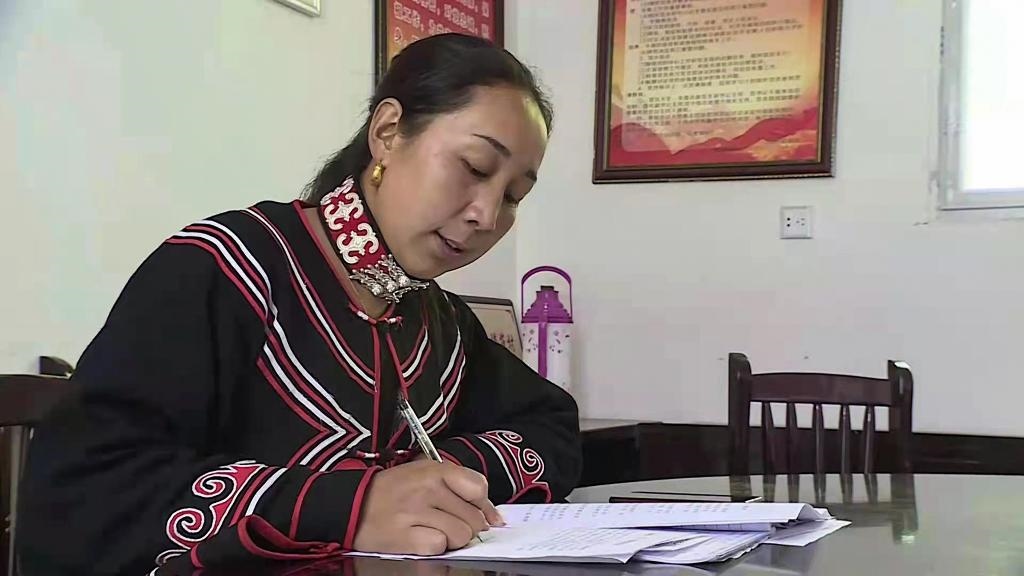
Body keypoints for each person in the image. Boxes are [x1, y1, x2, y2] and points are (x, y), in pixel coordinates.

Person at [17, 33, 581, 576]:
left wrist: (442, 478)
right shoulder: (226, 268)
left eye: (513, 196)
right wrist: (352, 505)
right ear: (388, 132)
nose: (487, 214)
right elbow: (84, 495)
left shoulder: (441, 323)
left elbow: (550, 427)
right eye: (475, 167)